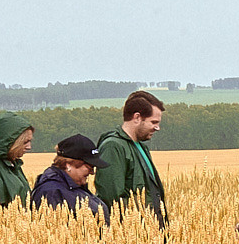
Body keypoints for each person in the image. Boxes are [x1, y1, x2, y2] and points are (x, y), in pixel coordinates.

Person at [95, 91, 169, 225]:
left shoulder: (141, 147)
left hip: (149, 230)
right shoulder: (113, 147)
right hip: (131, 232)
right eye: (153, 122)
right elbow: (112, 199)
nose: (157, 128)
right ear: (137, 117)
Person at [32, 134, 101, 212]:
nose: (92, 173)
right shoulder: (52, 191)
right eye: (90, 167)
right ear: (68, 165)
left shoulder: (73, 185)